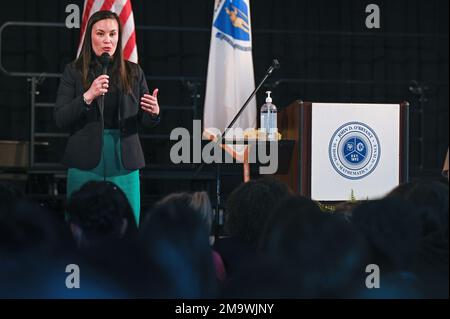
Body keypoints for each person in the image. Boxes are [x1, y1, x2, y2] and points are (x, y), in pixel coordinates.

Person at [55, 10, 160, 224]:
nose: (107, 40)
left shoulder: (134, 72)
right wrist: (87, 96)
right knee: (80, 224)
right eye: (100, 34)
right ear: (89, 36)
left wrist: (154, 113)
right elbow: (60, 118)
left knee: (127, 226)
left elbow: (145, 120)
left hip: (124, 159)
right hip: (85, 159)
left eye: (112, 34)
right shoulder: (73, 71)